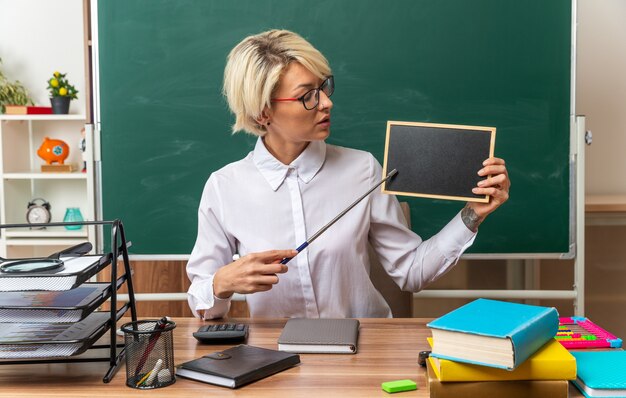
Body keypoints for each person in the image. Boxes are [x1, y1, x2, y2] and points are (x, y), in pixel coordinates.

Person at [186, 29, 510, 319]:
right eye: (307, 96)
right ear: (263, 111)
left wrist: (473, 214)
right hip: (276, 361)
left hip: (363, 352)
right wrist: (221, 284)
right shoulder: (225, 187)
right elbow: (204, 306)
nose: (326, 103)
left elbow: (411, 272)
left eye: (323, 87)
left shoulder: (363, 169)